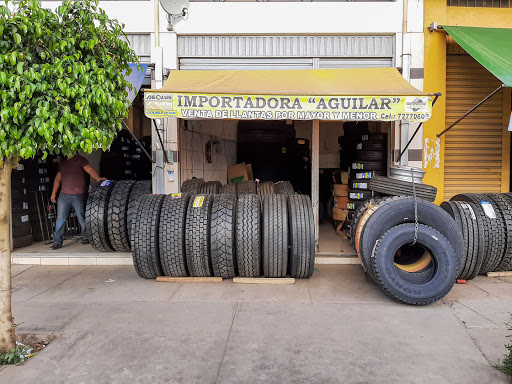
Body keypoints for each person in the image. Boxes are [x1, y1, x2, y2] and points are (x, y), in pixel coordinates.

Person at [50, 154, 106, 250]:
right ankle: (57, 241)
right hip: (64, 195)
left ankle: (86, 237)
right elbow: (58, 178)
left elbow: (90, 170)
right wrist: (53, 193)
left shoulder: (80, 159)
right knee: (60, 219)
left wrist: (97, 178)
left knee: (82, 217)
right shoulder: (63, 162)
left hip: (78, 195)